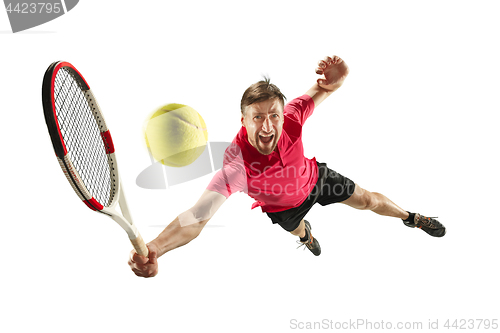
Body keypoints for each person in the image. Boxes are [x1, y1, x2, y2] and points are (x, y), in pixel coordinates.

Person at [128, 55, 446, 278]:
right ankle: (306, 237)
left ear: (282, 115)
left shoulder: (291, 118)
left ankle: (411, 217)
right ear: (244, 120)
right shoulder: (236, 164)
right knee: (299, 229)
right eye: (258, 117)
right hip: (283, 208)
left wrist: (336, 80)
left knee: (368, 200)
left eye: (273, 116)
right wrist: (156, 247)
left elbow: (322, 89)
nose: (267, 126)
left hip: (317, 179)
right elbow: (197, 216)